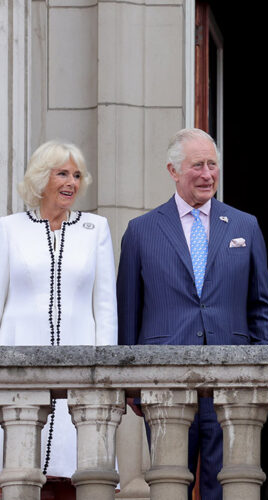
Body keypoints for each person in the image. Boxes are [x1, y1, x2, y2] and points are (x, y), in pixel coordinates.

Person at [117, 128, 268, 500]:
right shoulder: (140, 232)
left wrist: (261, 371)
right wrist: (132, 385)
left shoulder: (244, 226)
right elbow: (129, 313)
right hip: (164, 382)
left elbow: (262, 307)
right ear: (173, 170)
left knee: (228, 484)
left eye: (212, 165)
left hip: (232, 381)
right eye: (197, 166)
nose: (207, 174)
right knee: (169, 484)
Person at [0, 140, 117, 498]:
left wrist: (107, 373)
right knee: (18, 474)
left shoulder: (95, 229)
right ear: (41, 178)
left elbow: (106, 308)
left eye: (77, 175)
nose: (72, 182)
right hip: (18, 367)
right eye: (62, 173)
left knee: (75, 473)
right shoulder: (8, 229)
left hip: (80, 373)